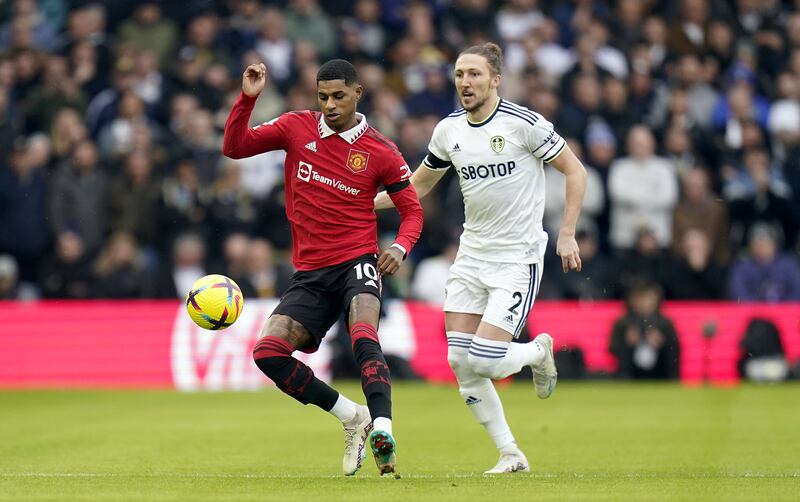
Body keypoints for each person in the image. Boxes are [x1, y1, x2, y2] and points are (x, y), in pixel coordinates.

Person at [375, 43, 587, 474]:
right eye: (458, 74)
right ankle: (510, 453)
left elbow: (576, 170)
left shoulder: (524, 124)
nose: (464, 83)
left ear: (495, 80)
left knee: (486, 359)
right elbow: (416, 187)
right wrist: (358, 202)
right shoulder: (448, 130)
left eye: (473, 74)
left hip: (517, 257)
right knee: (459, 361)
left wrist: (566, 233)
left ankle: (536, 351)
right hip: (472, 255)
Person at [223, 59, 423, 477]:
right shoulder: (296, 127)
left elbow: (412, 212)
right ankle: (352, 417)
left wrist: (401, 247)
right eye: (322, 97)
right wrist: (248, 98)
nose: (329, 105)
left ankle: (383, 427)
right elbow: (235, 147)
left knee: (363, 333)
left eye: (338, 96)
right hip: (311, 273)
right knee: (267, 353)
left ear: (357, 94)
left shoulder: (381, 151)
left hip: (358, 261)